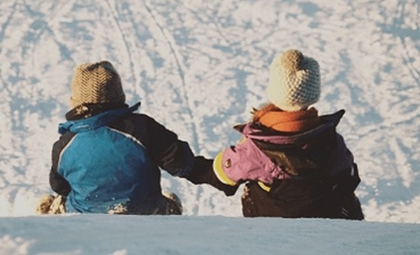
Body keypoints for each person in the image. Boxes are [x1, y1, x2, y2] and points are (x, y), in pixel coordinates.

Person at [37, 60, 234, 215]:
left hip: (87, 215)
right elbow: (181, 163)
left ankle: (56, 209)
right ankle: (169, 208)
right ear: (118, 95)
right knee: (169, 202)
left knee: (66, 198)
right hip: (145, 211)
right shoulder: (141, 128)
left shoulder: (64, 144)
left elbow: (59, 185)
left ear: (76, 101)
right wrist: (219, 175)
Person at [212, 49, 364, 220]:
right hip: (326, 220)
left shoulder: (255, 149)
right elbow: (347, 174)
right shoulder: (332, 141)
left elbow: (222, 172)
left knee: (256, 185)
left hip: (271, 223)